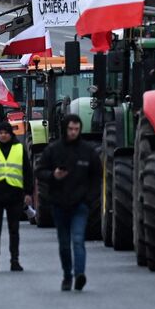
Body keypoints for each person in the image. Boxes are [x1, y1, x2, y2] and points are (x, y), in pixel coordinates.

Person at [34, 114, 100, 291]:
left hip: (80, 205)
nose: (73, 132)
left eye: (76, 129)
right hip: (59, 204)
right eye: (70, 129)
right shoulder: (53, 150)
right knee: (64, 244)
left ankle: (79, 274)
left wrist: (90, 200)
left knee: (78, 239)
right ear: (65, 129)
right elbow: (39, 171)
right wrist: (53, 176)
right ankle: (66, 276)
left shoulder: (88, 151)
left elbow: (96, 178)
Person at [0, 122, 30, 273]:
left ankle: (15, 261)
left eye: (6, 132)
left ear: (11, 134)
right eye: (0, 132)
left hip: (14, 195)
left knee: (14, 230)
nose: (3, 135)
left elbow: (27, 172)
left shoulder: (19, 148)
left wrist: (28, 193)